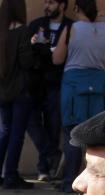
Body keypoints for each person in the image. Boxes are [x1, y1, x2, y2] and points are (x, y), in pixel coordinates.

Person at [54, 0, 105, 192]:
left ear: (77, 8)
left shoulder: (71, 28)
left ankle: (69, 180)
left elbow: (57, 58)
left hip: (74, 85)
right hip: (99, 84)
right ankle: (98, 180)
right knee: (97, 135)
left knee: (72, 133)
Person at [0, 0, 37, 189]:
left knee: (5, 129)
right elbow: (26, 62)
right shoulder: (23, 31)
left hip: (2, 88)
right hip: (20, 90)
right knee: (17, 133)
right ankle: (10, 175)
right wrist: (32, 45)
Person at [26, 0, 72, 182]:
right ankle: (52, 155)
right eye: (45, 2)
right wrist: (32, 44)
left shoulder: (70, 27)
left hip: (57, 83)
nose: (46, 5)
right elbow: (27, 52)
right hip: (36, 83)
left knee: (53, 126)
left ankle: (45, 168)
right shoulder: (37, 25)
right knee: (32, 122)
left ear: (62, 5)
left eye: (51, 2)